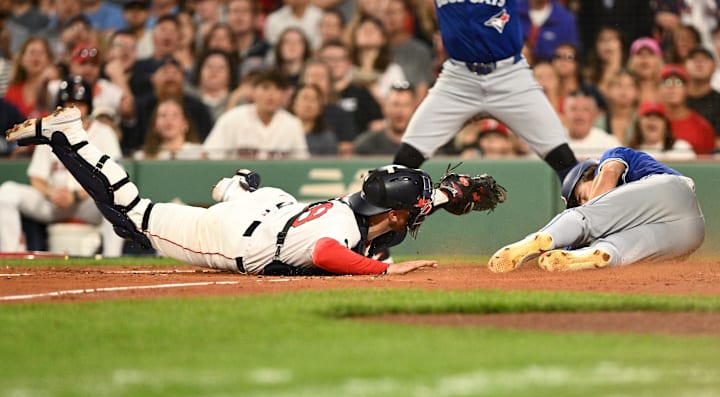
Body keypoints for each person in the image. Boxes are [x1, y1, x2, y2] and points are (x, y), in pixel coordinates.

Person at [6, 107, 442, 275]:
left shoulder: (349, 205)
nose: (417, 217)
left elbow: (388, 220)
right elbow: (328, 252)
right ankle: (69, 138)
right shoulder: (348, 233)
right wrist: (383, 271)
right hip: (237, 239)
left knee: (268, 200)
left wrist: (444, 195)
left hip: (273, 208)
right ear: (398, 213)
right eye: (416, 211)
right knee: (131, 216)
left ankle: (235, 186)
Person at [391, 0, 578, 183]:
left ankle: (585, 211)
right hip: (458, 78)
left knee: (563, 158)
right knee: (405, 159)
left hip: (509, 75)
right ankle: (390, 212)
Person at [488, 147, 704, 272]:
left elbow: (610, 172)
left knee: (587, 219)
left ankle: (543, 236)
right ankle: (597, 255)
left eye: (581, 196)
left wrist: (585, 216)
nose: (584, 202)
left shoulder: (612, 158)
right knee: (613, 249)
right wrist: (571, 253)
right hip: (691, 235)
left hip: (671, 193)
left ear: (590, 172)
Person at [0, 76, 125, 256]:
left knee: (117, 199)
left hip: (88, 203)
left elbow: (112, 179)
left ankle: (112, 259)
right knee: (6, 193)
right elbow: (37, 177)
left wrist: (75, 195)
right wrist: (52, 193)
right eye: (69, 104)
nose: (74, 110)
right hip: (54, 202)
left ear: (88, 106)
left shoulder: (104, 133)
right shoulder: (49, 133)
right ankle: (10, 257)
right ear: (61, 107)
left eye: (79, 104)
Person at [203, 69, 309, 160]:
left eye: (277, 89)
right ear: (253, 92)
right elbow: (209, 156)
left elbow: (301, 163)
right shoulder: (232, 119)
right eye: (265, 88)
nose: (271, 95)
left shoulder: (292, 124)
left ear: (284, 95)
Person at [657, 64, 715, 155]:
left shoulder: (702, 127)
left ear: (687, 89)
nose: (672, 87)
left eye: (678, 82)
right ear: (658, 88)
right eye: (667, 82)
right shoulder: (649, 124)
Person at [353, 82, 416, 156]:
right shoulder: (365, 145)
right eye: (395, 104)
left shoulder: (425, 145)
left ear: (415, 109)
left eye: (406, 105)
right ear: (384, 108)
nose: (400, 111)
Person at [133, 97, 204, 160]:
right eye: (163, 115)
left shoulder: (201, 154)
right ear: (155, 125)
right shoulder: (142, 157)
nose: (168, 120)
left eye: (174, 115)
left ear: (185, 124)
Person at [628, 100, 696, 161]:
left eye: (658, 116)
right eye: (648, 116)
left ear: (666, 124)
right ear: (639, 124)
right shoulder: (630, 153)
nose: (653, 120)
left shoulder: (681, 149)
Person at [563, 90, 621, 159]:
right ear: (565, 112)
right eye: (573, 109)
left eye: (585, 109)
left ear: (594, 114)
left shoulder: (609, 144)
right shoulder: (554, 142)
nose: (579, 114)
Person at [288, 83, 338, 156]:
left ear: (320, 108)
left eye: (313, 99)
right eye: (305, 98)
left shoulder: (327, 138)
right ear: (293, 104)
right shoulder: (282, 131)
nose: (308, 104)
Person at [684, 46, 720, 140]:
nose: (699, 63)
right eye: (694, 59)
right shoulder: (677, 99)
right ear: (685, 65)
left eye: (705, 59)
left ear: (714, 67)